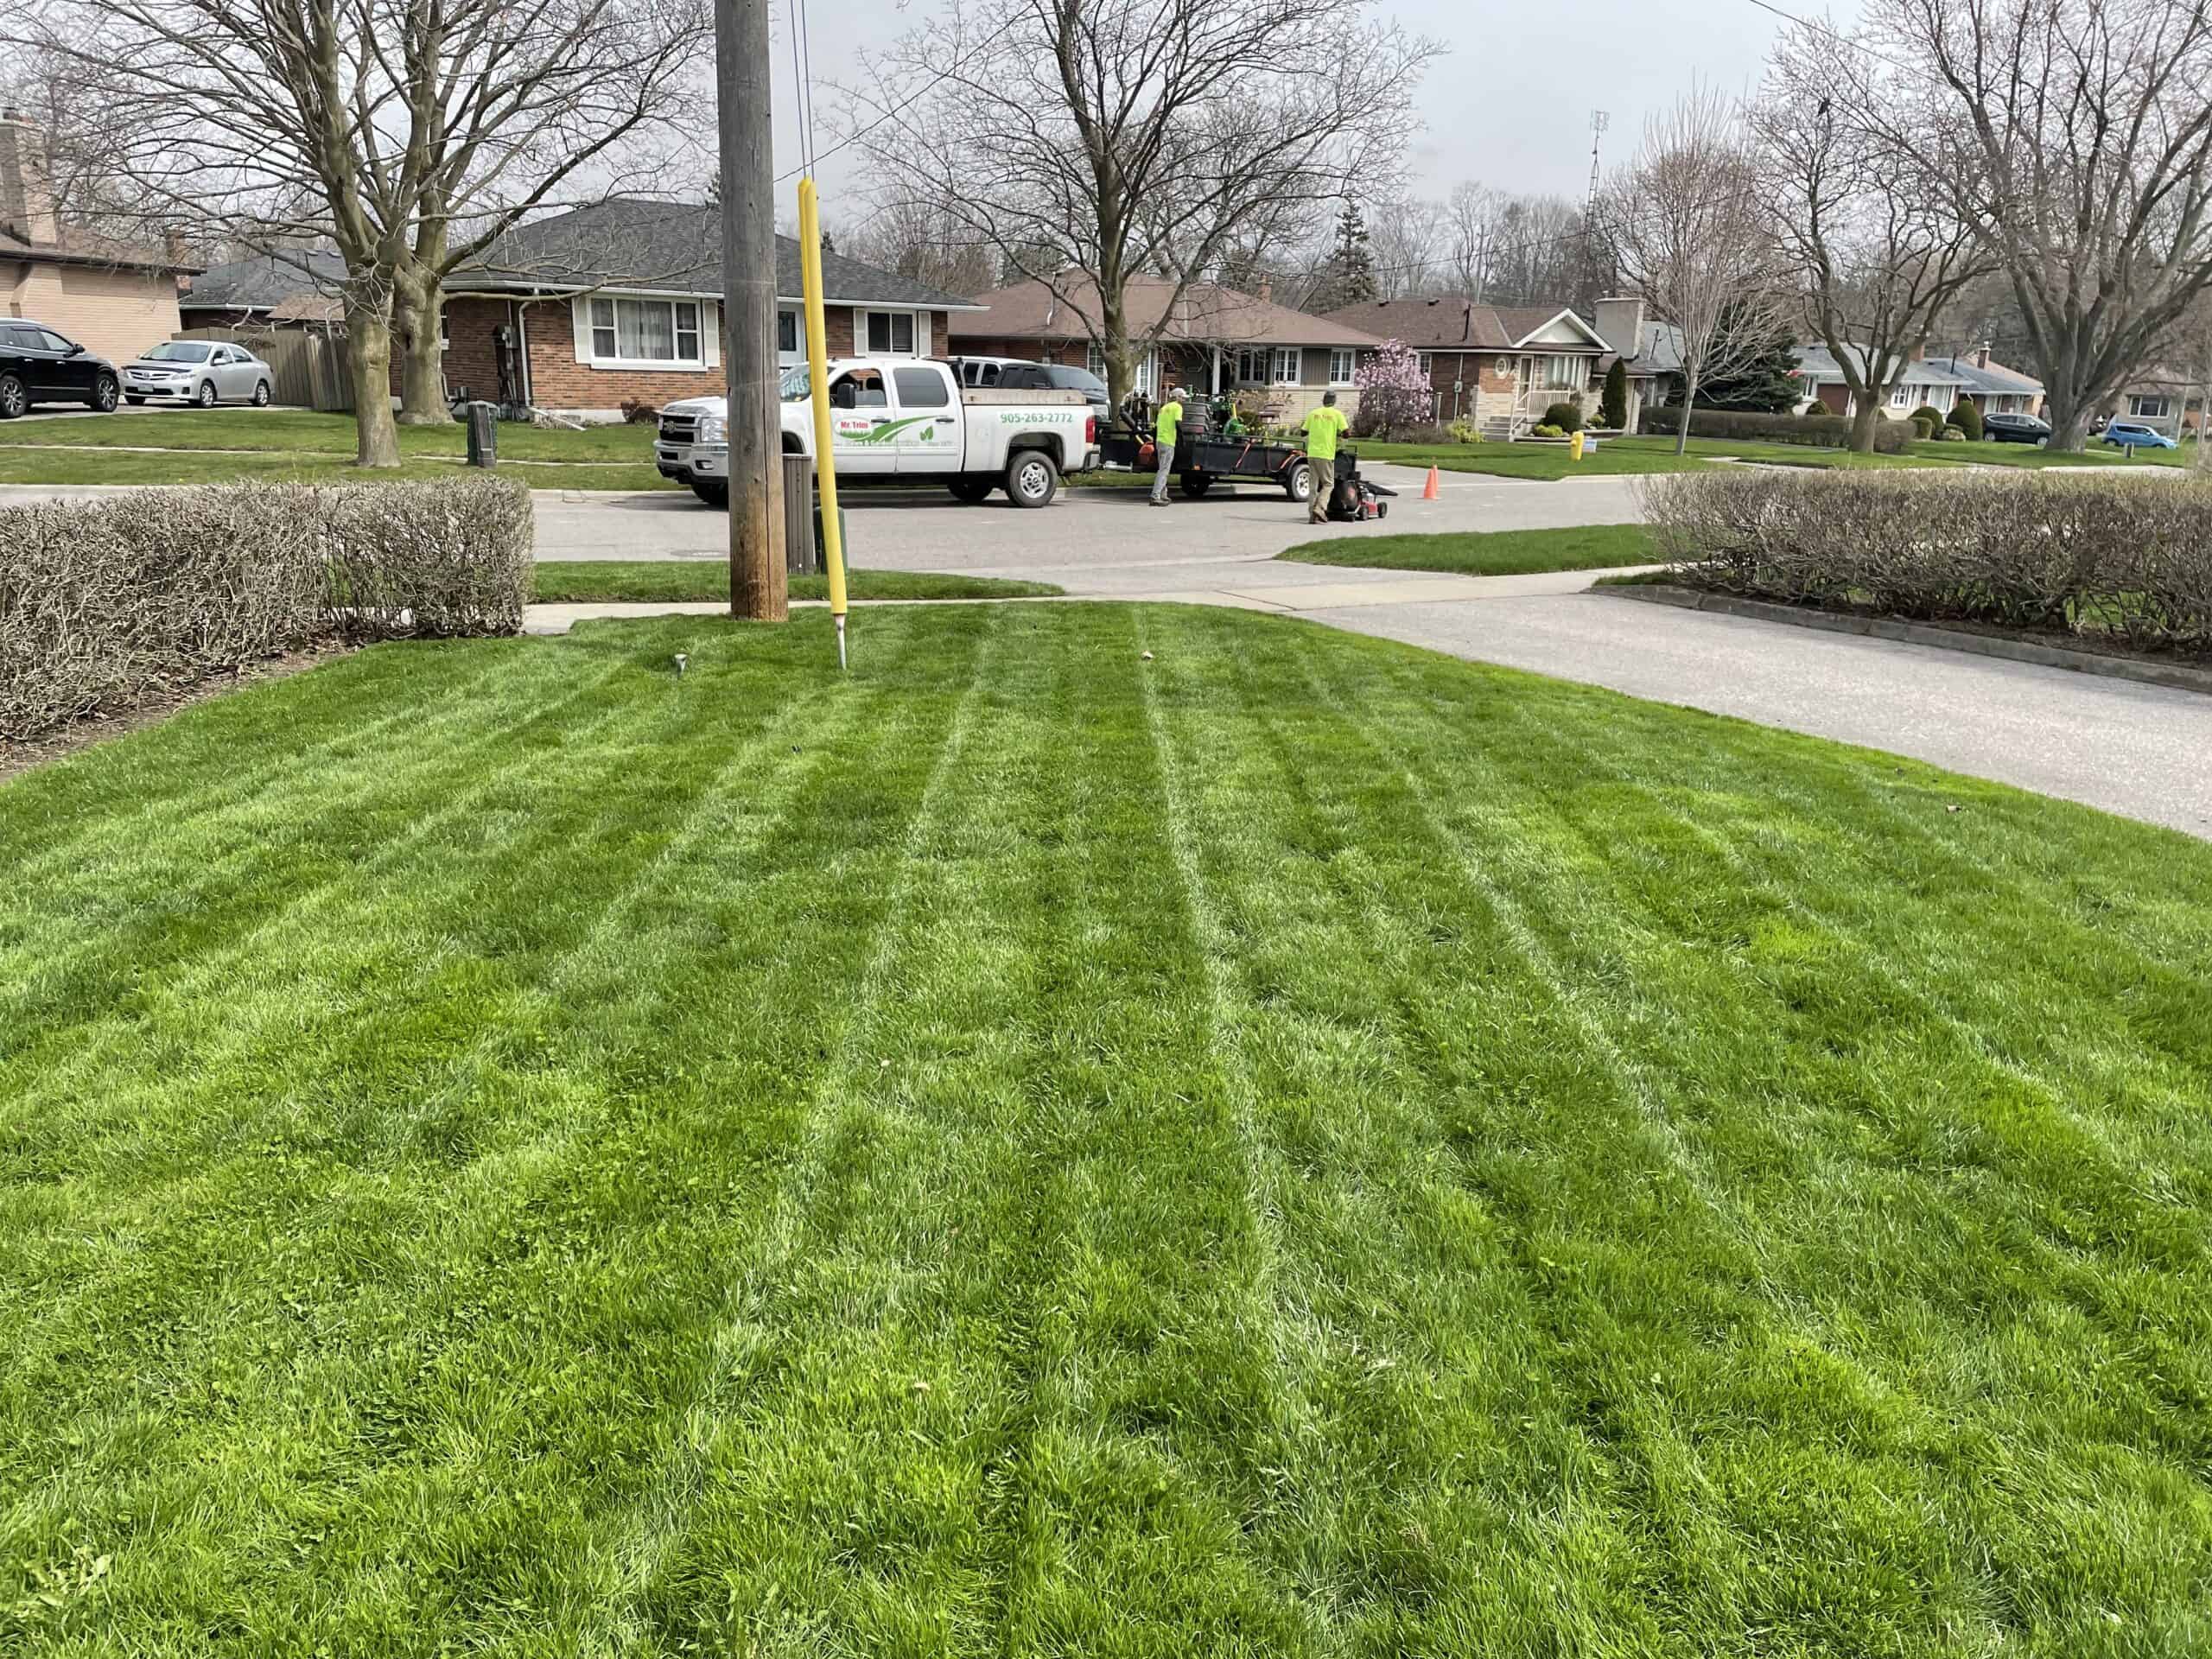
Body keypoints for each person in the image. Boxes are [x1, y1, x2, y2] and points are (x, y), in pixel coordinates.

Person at [1301, 390, 1349, 524]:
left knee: (1313, 485)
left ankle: (1312, 513)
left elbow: (1303, 432)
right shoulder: (1337, 414)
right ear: (1334, 401)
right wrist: (1338, 435)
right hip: (1326, 454)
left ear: (1323, 400)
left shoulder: (1313, 413)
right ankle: (1320, 508)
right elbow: (1347, 433)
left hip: (1312, 453)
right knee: (1328, 484)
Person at [1150, 385, 1185, 506]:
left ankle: (1163, 494)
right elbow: (1178, 424)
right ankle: (1155, 496)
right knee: (1164, 470)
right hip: (1169, 442)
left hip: (1160, 441)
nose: (1184, 400)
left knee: (1163, 468)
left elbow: (1155, 428)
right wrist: (1182, 440)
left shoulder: (1163, 408)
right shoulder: (1177, 407)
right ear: (1178, 397)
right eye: (1183, 398)